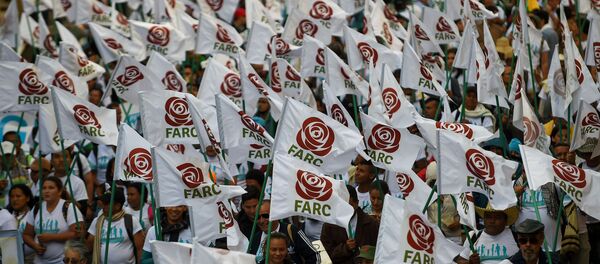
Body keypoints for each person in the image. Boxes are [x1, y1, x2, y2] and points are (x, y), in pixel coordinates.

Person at [22, 177, 84, 264]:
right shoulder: (37, 208)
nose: (47, 191)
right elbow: (27, 234)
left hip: (62, 261)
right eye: (44, 188)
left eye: (51, 188)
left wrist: (51, 237)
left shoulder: (68, 207)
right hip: (39, 261)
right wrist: (34, 245)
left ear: (59, 191)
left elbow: (78, 233)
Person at [321, 185, 379, 264]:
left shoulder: (371, 223)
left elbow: (378, 253)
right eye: (343, 206)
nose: (346, 210)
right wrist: (345, 248)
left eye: (350, 206)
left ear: (357, 203)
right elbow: (325, 256)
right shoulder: (330, 224)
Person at [249, 200, 319, 264]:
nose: (261, 221)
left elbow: (314, 256)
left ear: (275, 214)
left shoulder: (291, 230)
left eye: (266, 216)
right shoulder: (255, 238)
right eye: (257, 217)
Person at [87, 188, 144, 264]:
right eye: (103, 202)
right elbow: (89, 246)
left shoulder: (131, 221)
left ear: (117, 206)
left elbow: (140, 249)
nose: (103, 205)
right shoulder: (97, 221)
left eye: (107, 203)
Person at [454, 204, 520, 264]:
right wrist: (470, 262)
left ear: (505, 221)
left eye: (497, 217)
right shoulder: (473, 236)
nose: (492, 221)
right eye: (488, 217)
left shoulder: (517, 238)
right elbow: (461, 260)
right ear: (484, 219)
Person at [8, 184, 35, 262]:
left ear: (27, 198)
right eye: (12, 196)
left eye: (18, 196)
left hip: (30, 260)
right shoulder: (6, 216)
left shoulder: (34, 216)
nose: (15, 199)